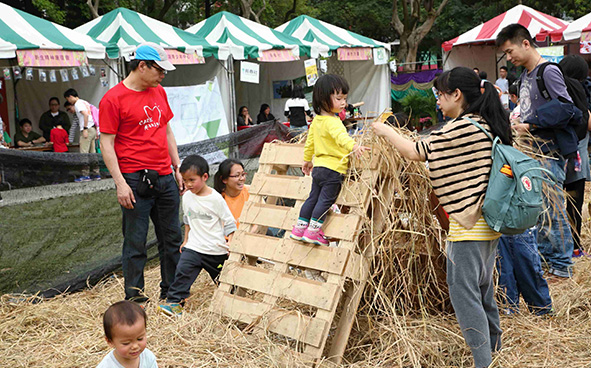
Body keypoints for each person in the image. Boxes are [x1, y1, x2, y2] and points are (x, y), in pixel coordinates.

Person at [372, 67, 511, 367]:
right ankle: (496, 347)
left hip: (468, 227)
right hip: (488, 226)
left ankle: (483, 361)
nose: (437, 102)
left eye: (440, 95)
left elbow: (416, 151)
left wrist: (385, 131)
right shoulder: (483, 123)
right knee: (483, 289)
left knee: (464, 297)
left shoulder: (461, 128)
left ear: (456, 95)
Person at [99, 42, 183, 304]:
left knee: (172, 239)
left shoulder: (159, 92)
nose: (163, 76)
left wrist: (176, 165)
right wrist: (120, 183)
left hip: (164, 176)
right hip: (135, 179)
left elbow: (166, 130)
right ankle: (135, 300)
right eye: (159, 70)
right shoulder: (113, 99)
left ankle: (171, 294)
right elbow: (106, 143)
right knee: (135, 244)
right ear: (142, 66)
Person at [497, 24, 577, 278]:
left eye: (510, 51)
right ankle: (547, 259)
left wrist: (531, 124)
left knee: (552, 207)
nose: (509, 58)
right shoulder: (526, 75)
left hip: (548, 149)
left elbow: (566, 107)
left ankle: (562, 264)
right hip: (532, 148)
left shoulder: (547, 71)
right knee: (538, 206)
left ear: (526, 44)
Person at [289, 74, 369, 246]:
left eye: (345, 99)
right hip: (333, 169)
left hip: (318, 168)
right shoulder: (333, 122)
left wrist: (307, 160)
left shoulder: (317, 121)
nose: (343, 103)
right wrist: (354, 147)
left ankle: (299, 228)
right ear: (324, 100)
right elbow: (342, 138)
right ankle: (313, 232)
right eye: (339, 98)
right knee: (325, 201)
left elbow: (310, 142)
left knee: (312, 198)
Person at [497, 83, 553, 317]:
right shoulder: (495, 150)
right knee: (504, 267)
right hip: (499, 218)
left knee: (527, 263)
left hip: (520, 218)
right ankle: (509, 308)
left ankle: (541, 308)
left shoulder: (518, 151)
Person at [159, 155, 236, 316]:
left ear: (205, 177)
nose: (188, 184)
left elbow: (229, 222)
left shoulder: (215, 199)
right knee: (182, 272)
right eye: (185, 180)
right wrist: (186, 240)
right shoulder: (187, 196)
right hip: (194, 247)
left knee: (224, 281)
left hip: (215, 250)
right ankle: (174, 304)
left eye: (192, 180)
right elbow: (187, 219)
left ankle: (234, 303)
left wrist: (232, 244)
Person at [559, 55, 591, 258]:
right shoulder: (578, 91)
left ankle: (557, 249)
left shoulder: (553, 91)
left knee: (552, 206)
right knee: (574, 205)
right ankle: (575, 247)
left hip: (553, 157)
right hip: (576, 159)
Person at [97, 300, 157, 368]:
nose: (135, 346)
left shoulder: (148, 357)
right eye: (126, 343)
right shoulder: (107, 365)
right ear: (110, 342)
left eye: (140, 339)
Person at [64, 88, 100, 181]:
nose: (69, 102)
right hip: (92, 129)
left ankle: (85, 174)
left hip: (87, 129)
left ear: (70, 97)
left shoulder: (78, 104)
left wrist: (84, 128)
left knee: (84, 153)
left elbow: (85, 114)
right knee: (93, 153)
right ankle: (96, 174)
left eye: (68, 99)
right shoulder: (85, 102)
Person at [214, 158, 249, 228]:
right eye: (236, 176)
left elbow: (261, 220)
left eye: (243, 174)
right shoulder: (217, 199)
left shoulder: (250, 192)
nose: (241, 178)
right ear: (224, 179)